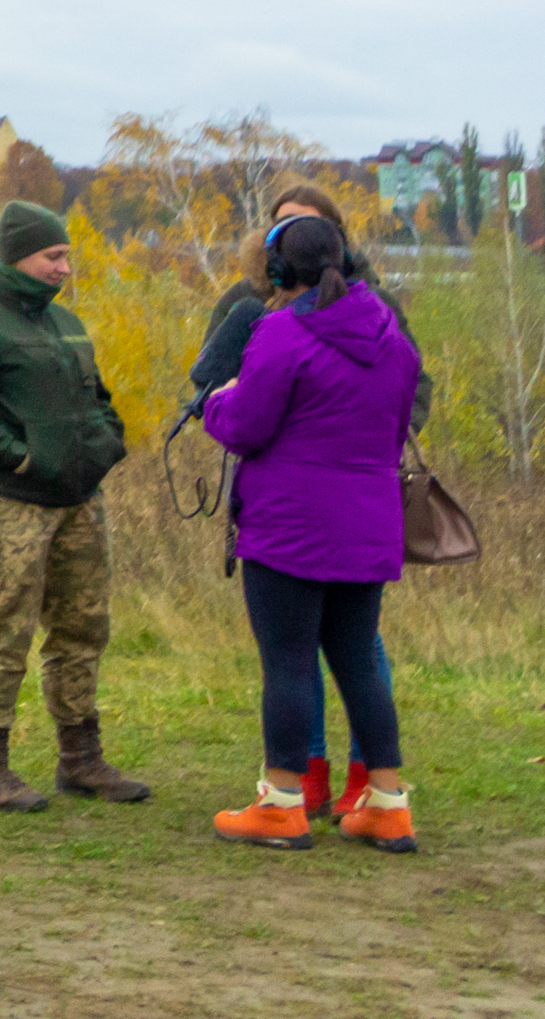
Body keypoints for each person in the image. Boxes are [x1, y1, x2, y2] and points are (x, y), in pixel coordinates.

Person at [189, 180, 428, 822]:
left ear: (275, 268)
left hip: (290, 528)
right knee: (359, 663)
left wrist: (217, 399)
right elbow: (399, 422)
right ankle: (387, 800)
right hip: (370, 527)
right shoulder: (393, 340)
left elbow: (244, 426)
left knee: (289, 664)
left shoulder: (279, 335)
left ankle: (283, 801)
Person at [0, 200, 148, 811]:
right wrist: (22, 458)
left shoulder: (66, 323)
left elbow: (98, 398)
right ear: (20, 255)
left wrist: (107, 444)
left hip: (79, 502)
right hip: (5, 505)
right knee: (3, 633)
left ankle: (81, 760)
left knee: (83, 629)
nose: (65, 268)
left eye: (67, 256)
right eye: (55, 256)